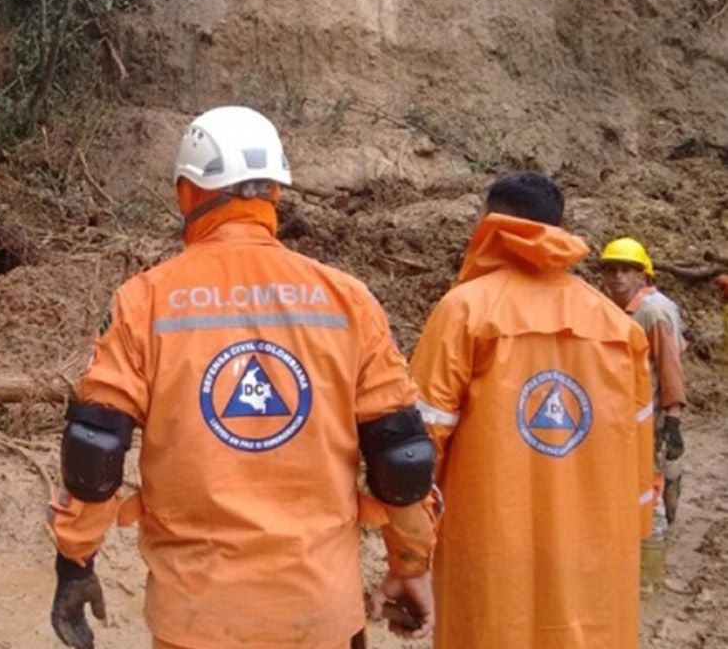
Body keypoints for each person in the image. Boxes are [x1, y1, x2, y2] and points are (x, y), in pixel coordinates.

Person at [46, 106, 439, 649]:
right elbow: (402, 460)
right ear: (275, 194)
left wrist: (75, 562)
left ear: (187, 192)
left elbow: (94, 450)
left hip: (199, 615)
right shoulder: (347, 300)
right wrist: (410, 563)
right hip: (320, 610)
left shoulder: (147, 301)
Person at [409, 172, 654, 649]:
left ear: (489, 224)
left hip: (489, 555)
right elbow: (640, 459)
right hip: (593, 555)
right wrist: (632, 535)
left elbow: (420, 445)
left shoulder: (465, 311)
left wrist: (409, 552)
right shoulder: (617, 327)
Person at [599, 237, 688, 554]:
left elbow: (670, 367)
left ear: (643, 275)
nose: (618, 277)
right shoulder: (613, 308)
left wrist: (672, 421)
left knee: (649, 478)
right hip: (621, 415)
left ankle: (653, 550)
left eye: (626, 270)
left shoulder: (654, 311)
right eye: (611, 270)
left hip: (650, 414)